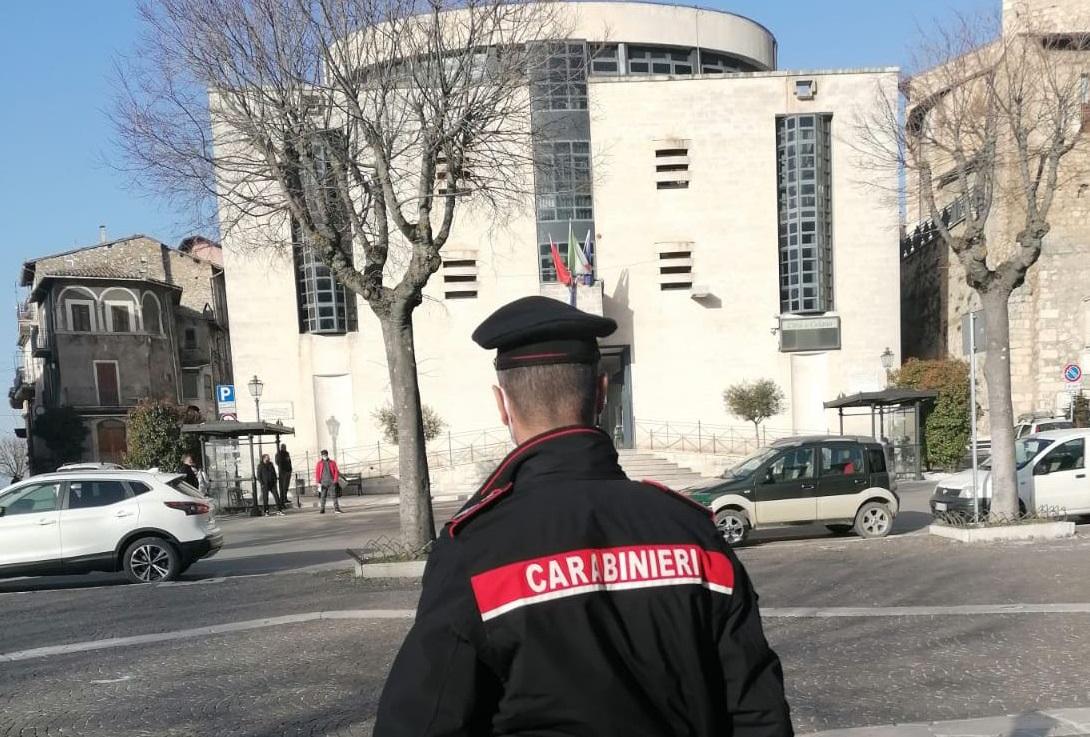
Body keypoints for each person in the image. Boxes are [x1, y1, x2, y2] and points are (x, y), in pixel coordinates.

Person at [374, 296, 792, 737]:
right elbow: (759, 715)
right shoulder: (694, 533)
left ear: (502, 406)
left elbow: (421, 722)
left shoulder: (475, 552)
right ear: (602, 393)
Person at [314, 449, 342, 515]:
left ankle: (336, 509)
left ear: (327, 454)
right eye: (323, 455)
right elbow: (317, 473)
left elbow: (336, 472)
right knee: (323, 496)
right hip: (323, 483)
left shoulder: (332, 462)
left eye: (325, 454)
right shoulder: (319, 463)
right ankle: (322, 509)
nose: (324, 456)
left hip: (331, 482)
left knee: (334, 496)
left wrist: (335, 480)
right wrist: (318, 482)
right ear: (321, 455)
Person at [275, 443, 294, 508]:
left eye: (285, 447)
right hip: (283, 472)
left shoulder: (287, 453)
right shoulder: (278, 454)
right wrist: (284, 463)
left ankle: (285, 498)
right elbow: (277, 462)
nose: (285, 448)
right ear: (281, 447)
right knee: (283, 486)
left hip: (288, 471)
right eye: (284, 447)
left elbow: (289, 461)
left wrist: (290, 468)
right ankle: (282, 499)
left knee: (286, 486)